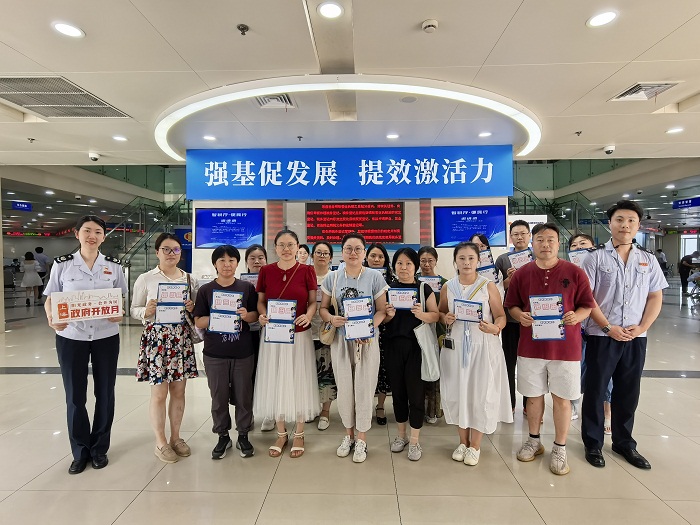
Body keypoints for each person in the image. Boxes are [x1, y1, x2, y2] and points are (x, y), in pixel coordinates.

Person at [580, 200, 668, 470]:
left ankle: (624, 442)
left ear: (638, 225)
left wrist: (641, 327)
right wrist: (608, 327)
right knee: (596, 391)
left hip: (634, 337)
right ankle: (593, 443)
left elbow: (655, 297)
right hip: (601, 335)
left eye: (631, 220)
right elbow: (587, 298)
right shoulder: (594, 257)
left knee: (628, 391)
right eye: (619, 219)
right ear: (610, 224)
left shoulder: (648, 259)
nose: (625, 225)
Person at [505, 223, 595, 476]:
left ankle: (560, 446)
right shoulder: (522, 274)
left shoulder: (575, 272)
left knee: (562, 398)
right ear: (532, 243)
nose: (545, 244)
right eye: (540, 239)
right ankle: (534, 440)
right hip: (530, 347)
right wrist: (519, 315)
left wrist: (577, 317)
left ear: (558, 243)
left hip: (565, 348)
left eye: (551, 240)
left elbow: (587, 305)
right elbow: (511, 305)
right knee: (533, 396)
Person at [43, 216, 127, 475]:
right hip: (71, 337)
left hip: (106, 336)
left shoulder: (113, 266)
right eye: (87, 231)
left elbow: (120, 298)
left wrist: (119, 313)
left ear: (104, 237)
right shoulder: (63, 265)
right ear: (77, 234)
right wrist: (51, 318)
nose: (92, 236)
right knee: (75, 397)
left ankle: (99, 448)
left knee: (105, 393)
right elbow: (50, 298)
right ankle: (80, 451)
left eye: (98, 232)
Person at [439, 242, 512, 466]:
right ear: (455, 261)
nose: (466, 262)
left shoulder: (487, 286)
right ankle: (463, 442)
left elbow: (501, 316)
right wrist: (445, 318)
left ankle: (475, 445)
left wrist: (495, 328)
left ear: (479, 261)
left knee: (481, 393)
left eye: (471, 258)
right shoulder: (448, 287)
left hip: (483, 346)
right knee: (458, 392)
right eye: (462, 258)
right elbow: (441, 312)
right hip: (456, 347)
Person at [320, 233, 388, 463]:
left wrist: (367, 328)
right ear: (342, 252)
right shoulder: (332, 278)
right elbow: (323, 309)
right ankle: (348, 435)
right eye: (348, 248)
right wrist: (332, 318)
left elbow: (381, 310)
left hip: (366, 341)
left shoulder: (374, 277)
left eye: (358, 249)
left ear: (364, 252)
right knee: (345, 388)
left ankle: (362, 438)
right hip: (341, 341)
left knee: (364, 388)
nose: (353, 253)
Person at [131, 233, 199, 463]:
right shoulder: (146, 279)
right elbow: (134, 309)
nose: (171, 254)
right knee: (159, 394)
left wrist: (192, 307)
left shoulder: (189, 279)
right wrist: (146, 311)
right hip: (157, 340)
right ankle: (160, 442)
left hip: (180, 339)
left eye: (176, 249)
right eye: (166, 249)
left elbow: (197, 310)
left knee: (179, 392)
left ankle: (176, 437)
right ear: (157, 252)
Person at [254, 229, 319, 458]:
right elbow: (261, 301)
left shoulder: (307, 271)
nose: (286, 249)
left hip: (299, 334)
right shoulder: (266, 271)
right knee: (275, 379)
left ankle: (299, 433)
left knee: (299, 379)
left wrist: (308, 316)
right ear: (275, 248)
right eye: (281, 245)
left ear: (298, 247)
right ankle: (281, 433)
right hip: (274, 335)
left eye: (291, 244)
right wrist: (262, 315)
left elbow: (313, 302)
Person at [194, 245, 259, 460]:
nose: (227, 264)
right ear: (215, 264)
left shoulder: (246, 288)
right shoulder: (206, 290)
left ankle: (243, 435)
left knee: (243, 396)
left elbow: (255, 316)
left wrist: (245, 315)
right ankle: (222, 436)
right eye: (222, 260)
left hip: (243, 352)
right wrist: (218, 316)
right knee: (218, 397)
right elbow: (198, 321)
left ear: (237, 263)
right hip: (215, 353)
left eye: (231, 260)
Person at [384, 247, 440, 461]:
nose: (404, 267)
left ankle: (415, 441)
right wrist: (389, 316)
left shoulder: (423, 288)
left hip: (417, 347)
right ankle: (401, 436)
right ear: (394, 266)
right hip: (393, 347)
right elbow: (382, 318)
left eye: (408, 263)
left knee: (416, 395)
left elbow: (435, 315)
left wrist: (421, 314)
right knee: (398, 393)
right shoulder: (388, 289)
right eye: (399, 263)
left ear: (415, 266)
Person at [568, 233, 612, 432]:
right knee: (574, 367)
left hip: (599, 326)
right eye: (574, 245)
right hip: (575, 327)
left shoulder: (603, 266)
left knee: (603, 370)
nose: (578, 247)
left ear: (593, 246)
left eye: (583, 244)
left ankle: (607, 410)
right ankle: (573, 403)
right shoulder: (567, 271)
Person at [495, 219, 532, 413]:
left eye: (523, 233)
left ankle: (529, 405)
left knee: (530, 363)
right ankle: (509, 403)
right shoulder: (503, 260)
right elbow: (496, 289)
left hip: (533, 319)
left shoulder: (537, 257)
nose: (519, 237)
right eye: (515, 234)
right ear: (510, 237)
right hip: (510, 319)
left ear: (529, 235)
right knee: (509, 362)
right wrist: (509, 279)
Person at [417, 245, 447, 424]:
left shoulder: (445, 283)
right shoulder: (413, 281)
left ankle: (434, 411)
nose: (426, 264)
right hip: (418, 333)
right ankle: (418, 409)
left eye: (430, 260)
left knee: (436, 372)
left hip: (439, 333)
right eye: (423, 261)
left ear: (436, 261)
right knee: (419, 372)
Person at [364, 242, 393, 426]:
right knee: (363, 370)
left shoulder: (392, 280)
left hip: (385, 331)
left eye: (380, 257)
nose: (376, 259)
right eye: (373, 256)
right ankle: (363, 405)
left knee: (383, 369)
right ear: (366, 258)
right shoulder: (360, 277)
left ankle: (380, 405)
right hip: (362, 330)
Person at [243, 244, 271, 431]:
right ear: (246, 262)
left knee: (269, 372)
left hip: (269, 332)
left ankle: (270, 413)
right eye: (252, 258)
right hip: (247, 334)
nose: (257, 261)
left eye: (261, 257)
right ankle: (249, 413)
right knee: (249, 375)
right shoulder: (240, 283)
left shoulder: (272, 280)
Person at [310, 241, 337, 430]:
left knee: (327, 372)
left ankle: (325, 412)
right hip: (306, 331)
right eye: (318, 252)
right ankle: (311, 407)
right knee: (308, 373)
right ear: (312, 256)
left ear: (330, 257)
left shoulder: (335, 278)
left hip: (327, 332)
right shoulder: (305, 275)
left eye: (325, 253)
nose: (322, 256)